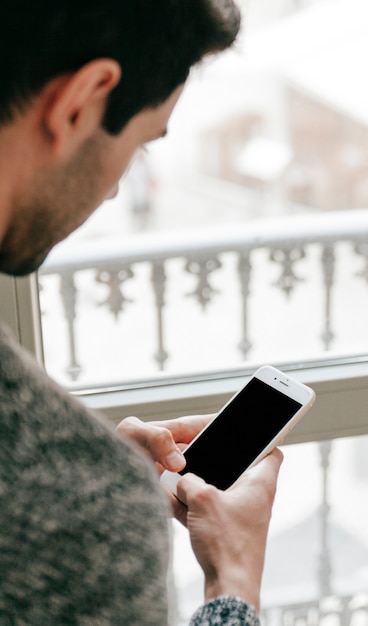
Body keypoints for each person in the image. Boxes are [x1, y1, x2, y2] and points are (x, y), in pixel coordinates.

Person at [0, 0, 283, 624]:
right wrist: (232, 583)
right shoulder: (82, 517)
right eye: (138, 145)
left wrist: (85, 466)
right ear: (81, 100)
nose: (115, 188)